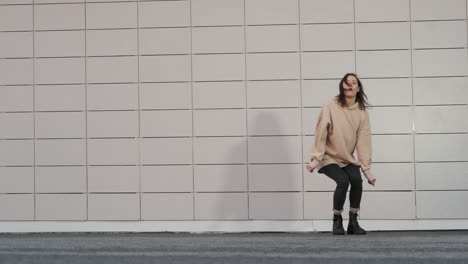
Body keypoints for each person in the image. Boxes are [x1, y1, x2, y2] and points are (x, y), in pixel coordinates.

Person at [306, 73, 376, 235]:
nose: (350, 85)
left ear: (358, 89)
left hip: (346, 157)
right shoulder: (331, 105)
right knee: (343, 181)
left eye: (354, 83)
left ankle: (353, 222)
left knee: (357, 180)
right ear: (342, 86)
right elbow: (321, 132)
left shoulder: (361, 112)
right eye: (347, 82)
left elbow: (363, 141)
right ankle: (337, 221)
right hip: (327, 156)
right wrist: (316, 159)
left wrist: (366, 170)